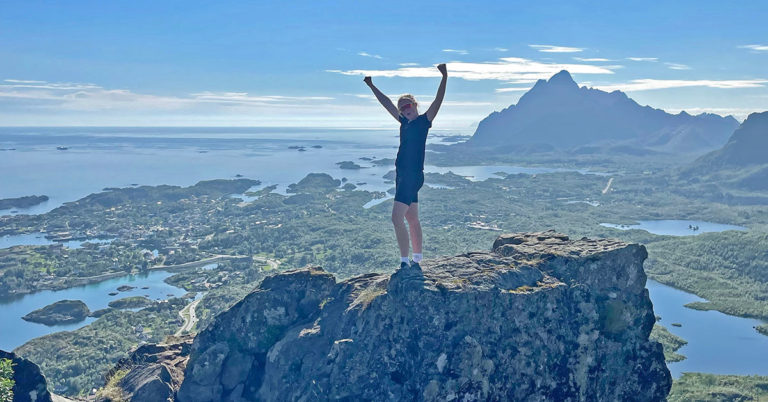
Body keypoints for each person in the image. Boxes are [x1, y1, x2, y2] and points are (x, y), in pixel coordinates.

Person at [364, 63, 447, 270]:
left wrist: (444, 76)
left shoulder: (424, 121)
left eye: (408, 105)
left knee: (396, 218)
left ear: (415, 105)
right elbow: (387, 104)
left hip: (411, 176)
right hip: (402, 175)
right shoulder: (404, 122)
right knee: (412, 217)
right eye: (402, 108)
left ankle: (404, 261)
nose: (405, 109)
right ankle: (417, 259)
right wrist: (371, 86)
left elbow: (438, 100)